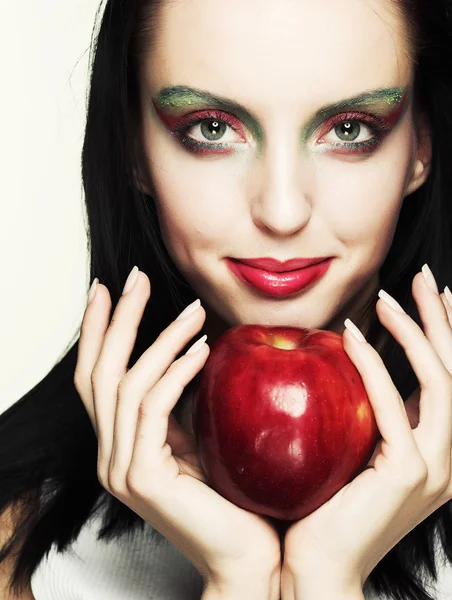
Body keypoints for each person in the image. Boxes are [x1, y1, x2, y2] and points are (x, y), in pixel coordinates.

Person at [1, 0, 452, 598]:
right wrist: (237, 578)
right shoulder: (17, 533)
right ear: (133, 145)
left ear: (421, 144)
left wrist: (326, 576)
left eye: (349, 128)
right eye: (212, 129)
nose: (283, 211)